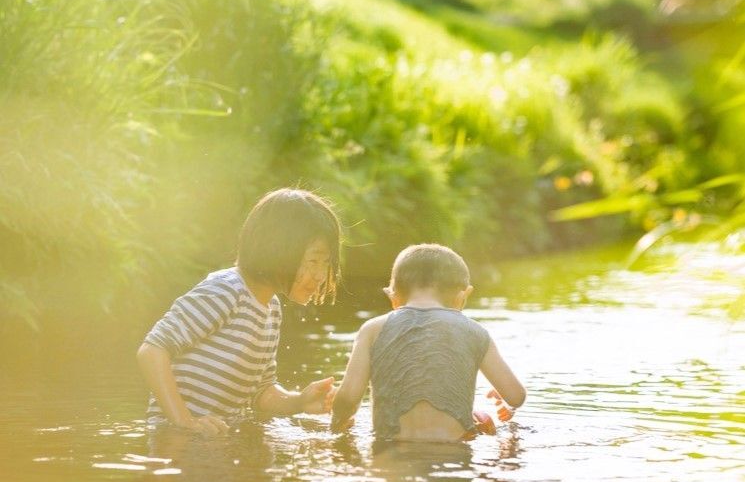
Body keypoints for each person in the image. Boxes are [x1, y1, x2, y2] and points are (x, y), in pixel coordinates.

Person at [137, 188, 341, 436]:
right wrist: (185, 422)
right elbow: (152, 350)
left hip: (211, 439)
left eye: (326, 263)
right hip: (174, 438)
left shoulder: (271, 308)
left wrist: (299, 401)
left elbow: (261, 392)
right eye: (312, 261)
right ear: (278, 250)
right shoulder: (226, 290)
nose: (320, 276)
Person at [331, 243, 525, 442]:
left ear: (392, 297)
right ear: (463, 295)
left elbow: (348, 398)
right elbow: (516, 396)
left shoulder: (372, 329)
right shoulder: (475, 331)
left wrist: (339, 423)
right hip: (453, 455)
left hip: (390, 452)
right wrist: (506, 404)